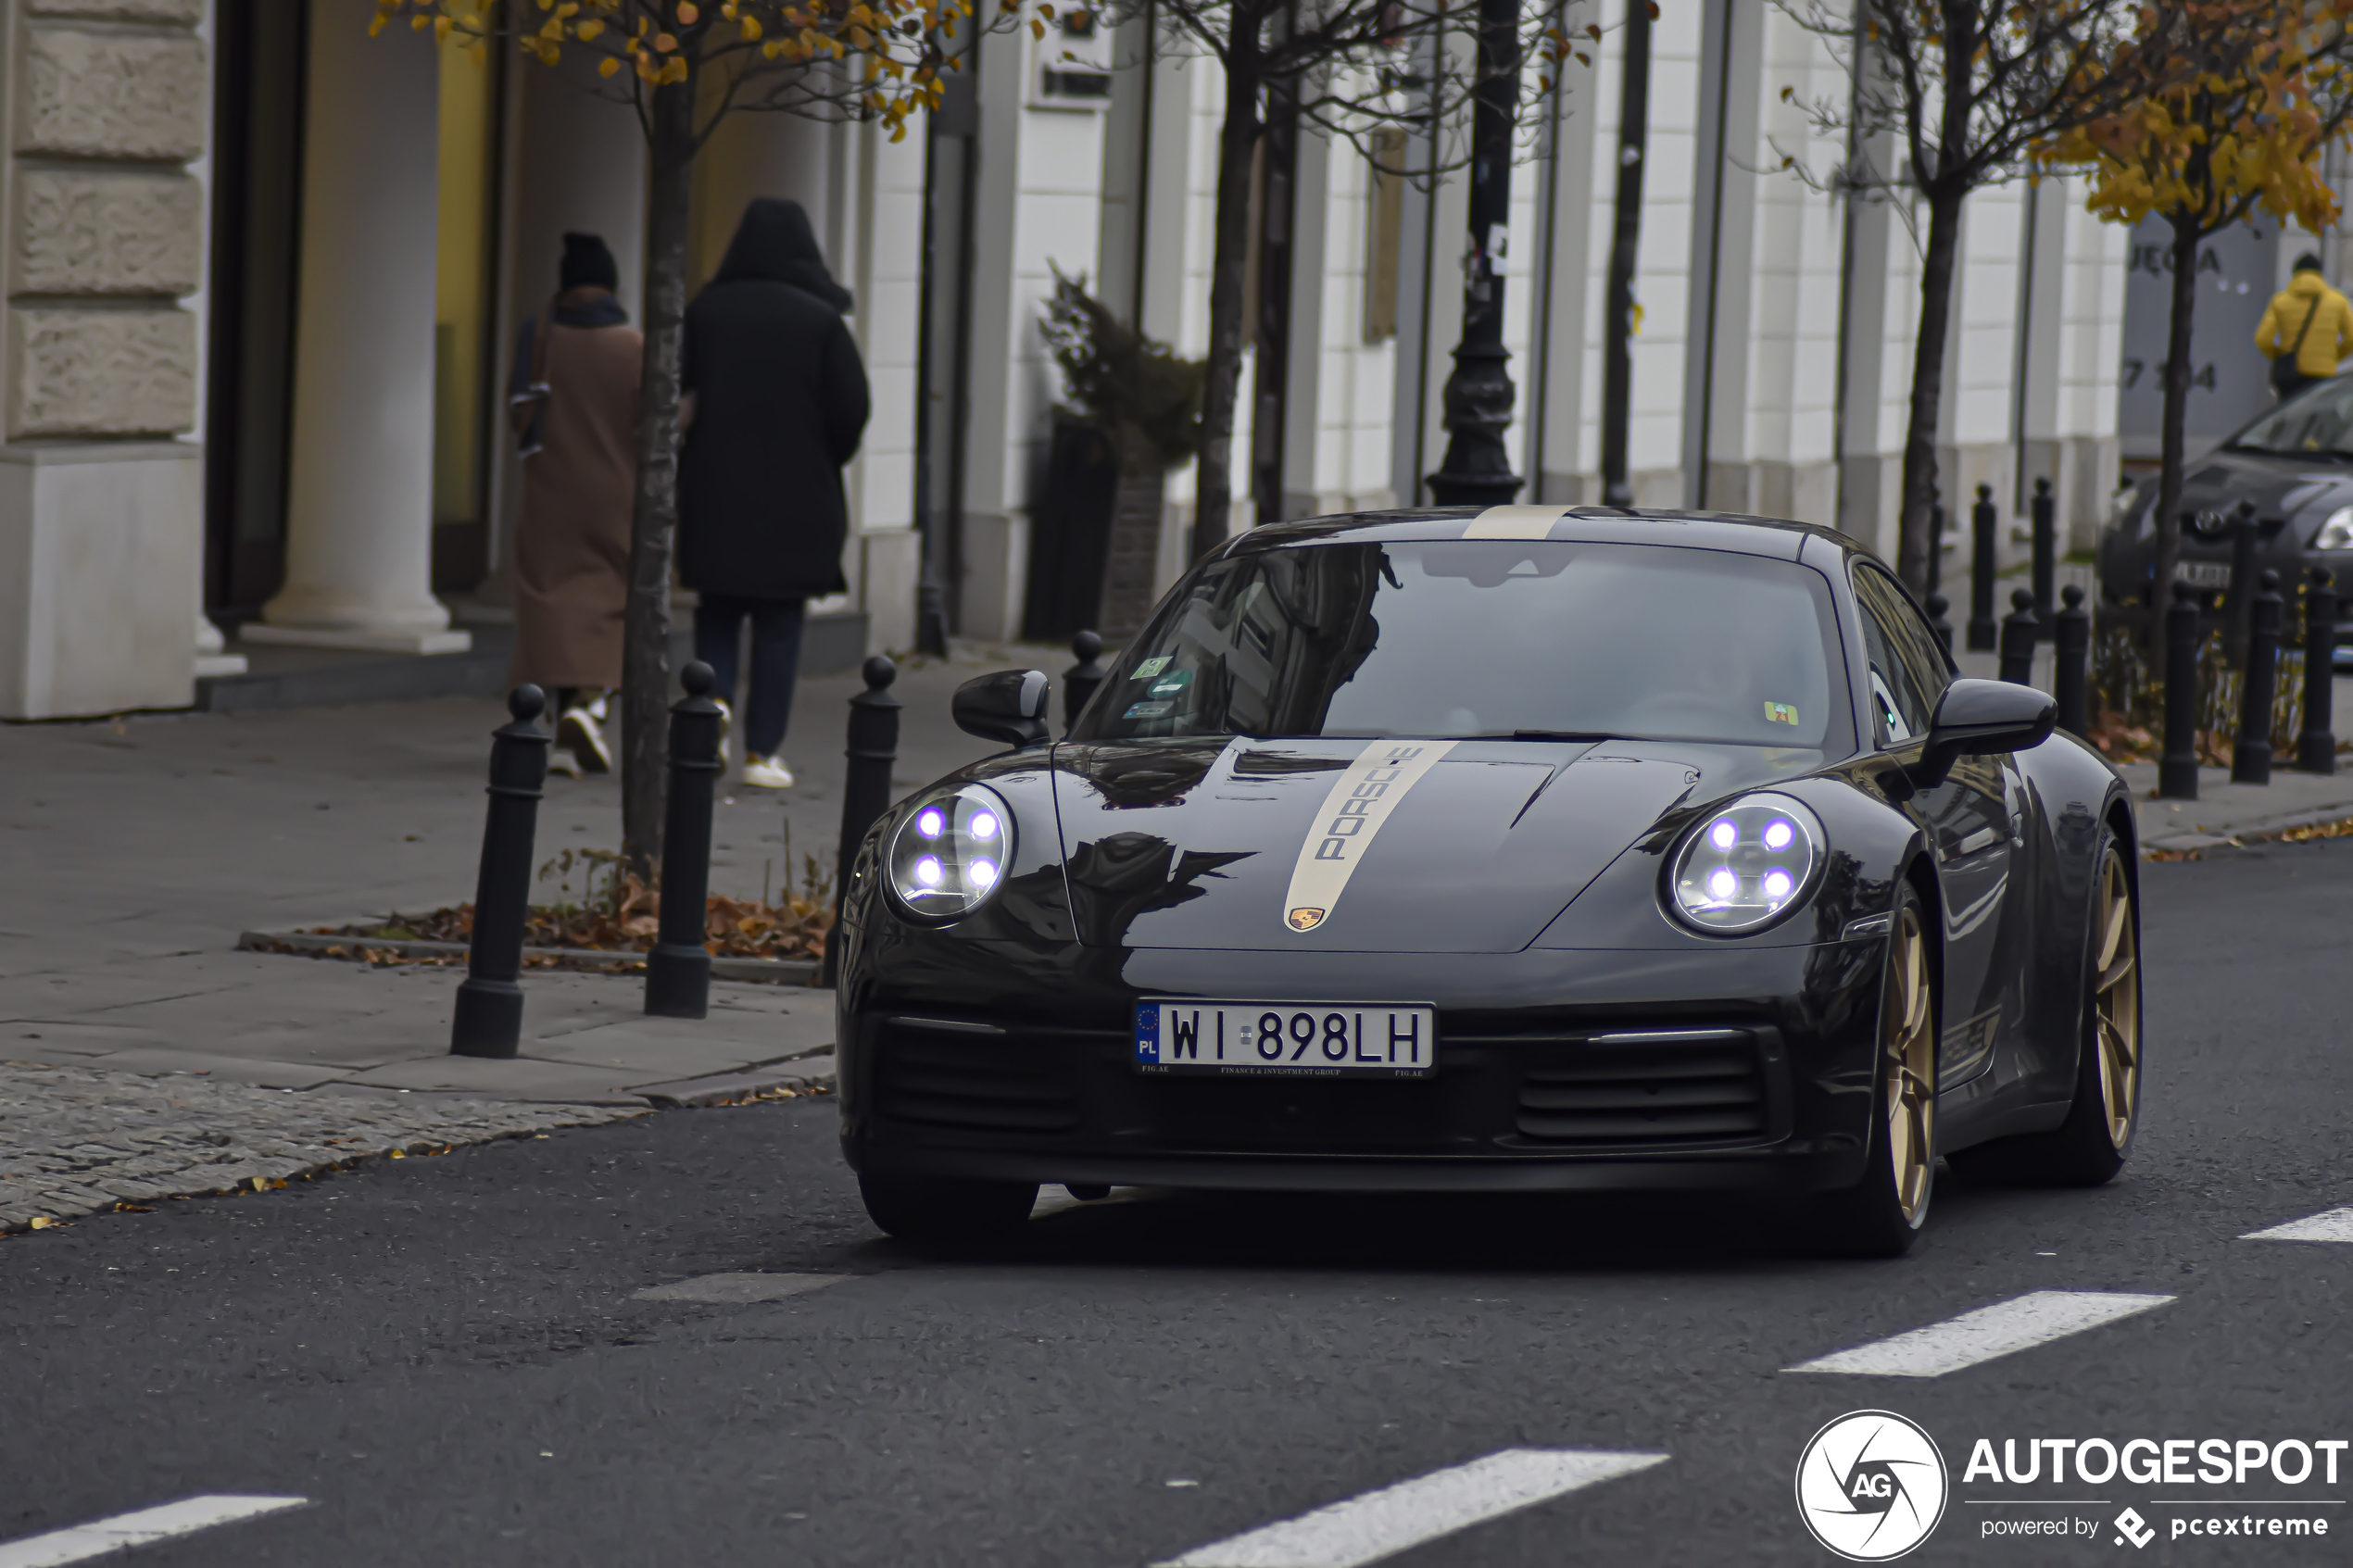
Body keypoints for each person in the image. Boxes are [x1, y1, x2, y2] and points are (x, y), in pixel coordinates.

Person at [678, 198, 870, 789]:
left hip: (717, 495)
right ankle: (763, 753)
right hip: (798, 502)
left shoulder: (707, 312)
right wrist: (816, 459)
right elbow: (851, 412)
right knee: (780, 626)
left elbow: (677, 393)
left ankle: (708, 712)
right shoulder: (819, 322)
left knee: (717, 614)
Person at [508, 232, 642, 777]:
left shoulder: (539, 336)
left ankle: (556, 718)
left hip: (550, 490)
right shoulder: (632, 345)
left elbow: (518, 412)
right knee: (609, 599)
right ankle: (592, 704)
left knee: (551, 599)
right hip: (616, 490)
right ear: (611, 284)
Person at [2256, 253, 2353, 402]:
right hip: (2323, 375)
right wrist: (2332, 356)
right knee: (2319, 419)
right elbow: (2351, 338)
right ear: (2320, 275)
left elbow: (2262, 339)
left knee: (2290, 419)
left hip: (2291, 374)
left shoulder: (2280, 301)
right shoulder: (2338, 301)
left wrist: (2280, 354)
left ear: (2295, 274)